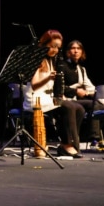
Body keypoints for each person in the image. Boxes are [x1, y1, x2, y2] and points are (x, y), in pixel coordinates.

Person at [24, 29, 84, 158]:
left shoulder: (52, 60)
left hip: (48, 98)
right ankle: (68, 145)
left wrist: (60, 93)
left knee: (79, 108)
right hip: (36, 98)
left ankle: (67, 143)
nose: (55, 50)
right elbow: (34, 85)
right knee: (68, 107)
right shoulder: (36, 59)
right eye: (53, 46)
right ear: (44, 44)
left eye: (58, 47)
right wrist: (48, 78)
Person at [56, 39, 104, 149]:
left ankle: (91, 136)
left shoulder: (81, 69)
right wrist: (76, 91)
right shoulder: (62, 66)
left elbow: (91, 88)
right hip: (64, 100)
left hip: (75, 101)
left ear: (82, 52)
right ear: (68, 52)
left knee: (101, 106)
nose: (76, 51)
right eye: (73, 48)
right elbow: (58, 86)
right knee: (94, 105)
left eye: (78, 49)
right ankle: (93, 138)